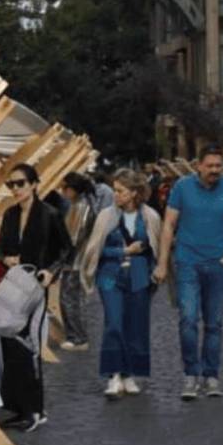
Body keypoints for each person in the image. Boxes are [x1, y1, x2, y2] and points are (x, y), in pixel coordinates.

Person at [156, 144, 223, 400]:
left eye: (219, 165)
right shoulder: (182, 187)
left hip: (217, 265)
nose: (215, 170)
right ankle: (190, 374)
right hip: (187, 262)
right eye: (210, 166)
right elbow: (168, 224)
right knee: (187, 319)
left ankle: (211, 376)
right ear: (199, 166)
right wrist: (163, 262)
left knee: (214, 323)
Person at [0, 163, 73, 432]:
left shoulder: (49, 214)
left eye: (20, 183)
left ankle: (35, 409)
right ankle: (18, 407)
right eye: (11, 185)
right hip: (12, 286)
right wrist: (6, 258)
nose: (15, 189)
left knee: (29, 345)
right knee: (10, 343)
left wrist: (50, 272)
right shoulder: (9, 215)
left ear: (34, 184)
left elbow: (66, 249)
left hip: (35, 289)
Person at [81, 169, 162, 398]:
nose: (115, 194)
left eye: (120, 190)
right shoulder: (105, 216)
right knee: (114, 323)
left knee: (136, 326)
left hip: (139, 275)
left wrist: (156, 266)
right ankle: (113, 375)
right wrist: (123, 250)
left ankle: (129, 374)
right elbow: (96, 249)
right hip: (109, 275)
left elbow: (155, 246)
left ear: (134, 193)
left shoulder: (151, 216)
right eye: (115, 190)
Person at [58, 172, 97, 351]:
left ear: (73, 189)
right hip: (76, 260)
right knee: (70, 298)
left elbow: (73, 237)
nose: (62, 191)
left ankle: (78, 337)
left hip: (76, 261)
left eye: (64, 187)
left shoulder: (80, 207)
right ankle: (76, 336)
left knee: (69, 299)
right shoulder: (81, 205)